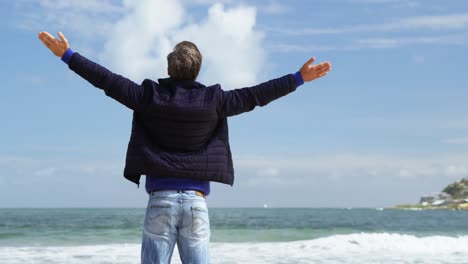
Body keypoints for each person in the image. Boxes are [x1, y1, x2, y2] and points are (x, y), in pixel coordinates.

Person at [38, 31, 332, 264]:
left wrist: (67, 55)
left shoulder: (148, 97)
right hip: (195, 203)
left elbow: (106, 80)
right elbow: (256, 95)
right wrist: (297, 78)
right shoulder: (215, 101)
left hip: (160, 202)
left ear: (168, 67)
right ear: (198, 70)